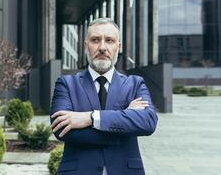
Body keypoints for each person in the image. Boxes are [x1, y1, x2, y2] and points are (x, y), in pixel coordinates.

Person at [50, 18, 158, 175]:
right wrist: (124, 124)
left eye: (109, 40)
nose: (102, 47)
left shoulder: (135, 83)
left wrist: (91, 118)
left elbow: (148, 122)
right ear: (86, 46)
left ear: (118, 47)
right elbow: (61, 129)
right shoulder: (66, 84)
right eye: (95, 40)